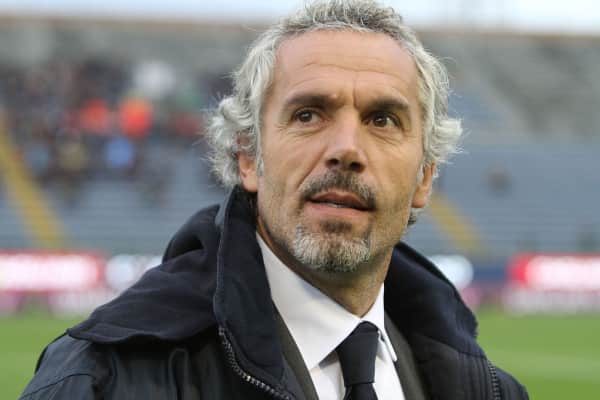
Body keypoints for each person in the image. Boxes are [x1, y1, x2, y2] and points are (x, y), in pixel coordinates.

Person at [20, 1, 528, 399]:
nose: (347, 149)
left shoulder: (489, 391)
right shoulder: (101, 382)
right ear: (247, 156)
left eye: (382, 120)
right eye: (308, 114)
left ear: (426, 177)